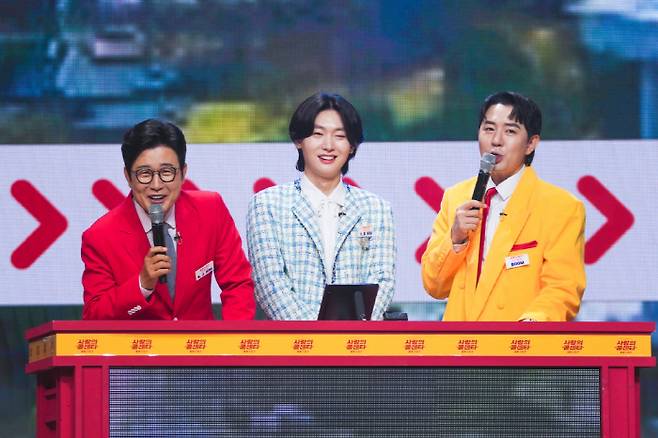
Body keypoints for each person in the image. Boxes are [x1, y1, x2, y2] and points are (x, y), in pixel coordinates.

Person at [421, 91, 586, 321]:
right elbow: (434, 285)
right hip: (460, 341)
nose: (496, 140)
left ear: (530, 144)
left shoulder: (561, 207)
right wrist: (455, 239)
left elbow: (562, 288)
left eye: (510, 131)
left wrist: (532, 323)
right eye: (489, 129)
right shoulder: (456, 198)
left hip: (520, 339)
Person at [82, 119, 255, 320]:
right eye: (144, 174)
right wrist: (142, 285)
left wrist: (233, 338)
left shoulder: (210, 210)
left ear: (183, 173)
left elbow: (238, 284)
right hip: (140, 341)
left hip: (200, 340)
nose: (156, 185)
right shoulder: (100, 236)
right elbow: (94, 317)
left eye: (166, 172)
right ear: (128, 177)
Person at [246, 92, 396, 320]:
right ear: (299, 140)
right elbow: (270, 284)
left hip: (358, 338)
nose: (328, 145)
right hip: (293, 339)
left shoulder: (377, 209)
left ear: (352, 146)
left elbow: (383, 281)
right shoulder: (267, 205)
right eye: (317, 134)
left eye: (340, 136)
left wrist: (352, 332)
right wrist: (314, 334)